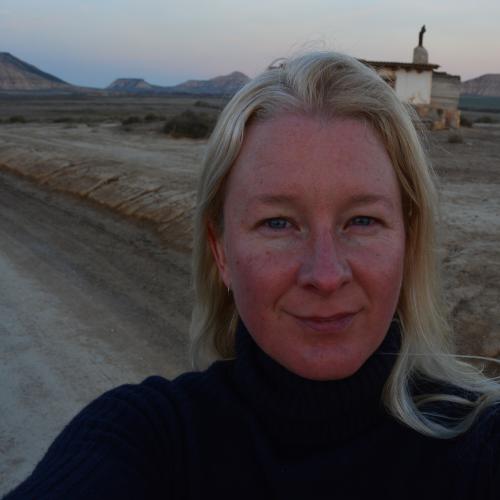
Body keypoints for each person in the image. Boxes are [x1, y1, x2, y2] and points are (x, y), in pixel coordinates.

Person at [4, 51, 500, 500]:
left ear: (409, 241)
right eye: (278, 223)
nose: (325, 275)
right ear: (220, 252)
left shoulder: (479, 443)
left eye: (362, 221)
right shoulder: (147, 439)